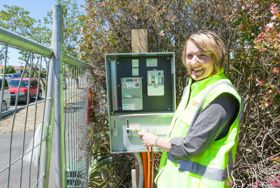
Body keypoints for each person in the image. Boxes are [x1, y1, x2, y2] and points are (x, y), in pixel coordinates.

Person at [138, 30, 243, 188]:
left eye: (202, 56)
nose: (194, 62)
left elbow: (191, 147)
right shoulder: (195, 88)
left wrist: (156, 141)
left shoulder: (221, 95)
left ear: (216, 58)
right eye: (189, 56)